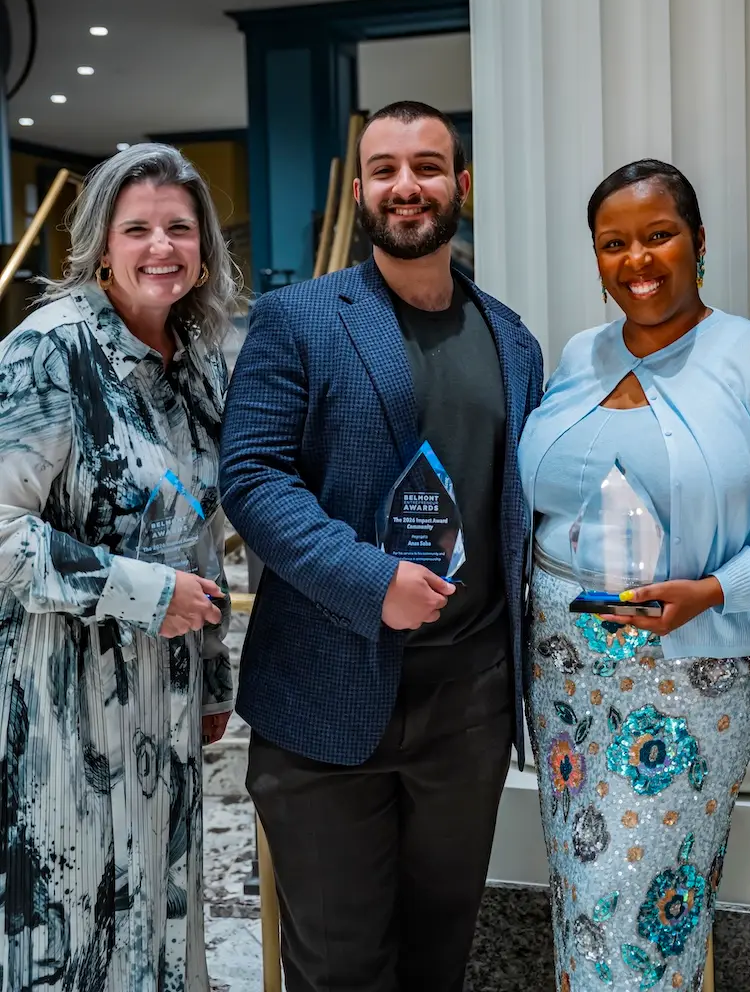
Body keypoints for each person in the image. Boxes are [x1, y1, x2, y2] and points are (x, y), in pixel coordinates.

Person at [220, 100, 543, 992]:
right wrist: (372, 582)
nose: (407, 186)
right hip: (325, 702)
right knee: (342, 970)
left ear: (460, 185)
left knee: (440, 961)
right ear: (360, 190)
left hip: (468, 708)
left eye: (428, 167)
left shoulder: (513, 339)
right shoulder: (296, 319)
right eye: (386, 170)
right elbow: (252, 478)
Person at [519, 158, 750, 991]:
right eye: (614, 244)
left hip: (689, 681)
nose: (636, 259)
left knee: (639, 922)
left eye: (659, 235)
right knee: (582, 898)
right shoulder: (581, 354)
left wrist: (713, 592)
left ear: (698, 242)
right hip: (564, 676)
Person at [0, 143, 240, 991]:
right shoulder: (49, 350)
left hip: (167, 704)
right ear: (102, 243)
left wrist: (212, 674)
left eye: (180, 228)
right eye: (137, 229)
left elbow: (199, 530)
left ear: (203, 247)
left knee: (160, 926)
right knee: (77, 933)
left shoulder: (199, 360)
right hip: (65, 701)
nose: (161, 247)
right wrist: (141, 594)